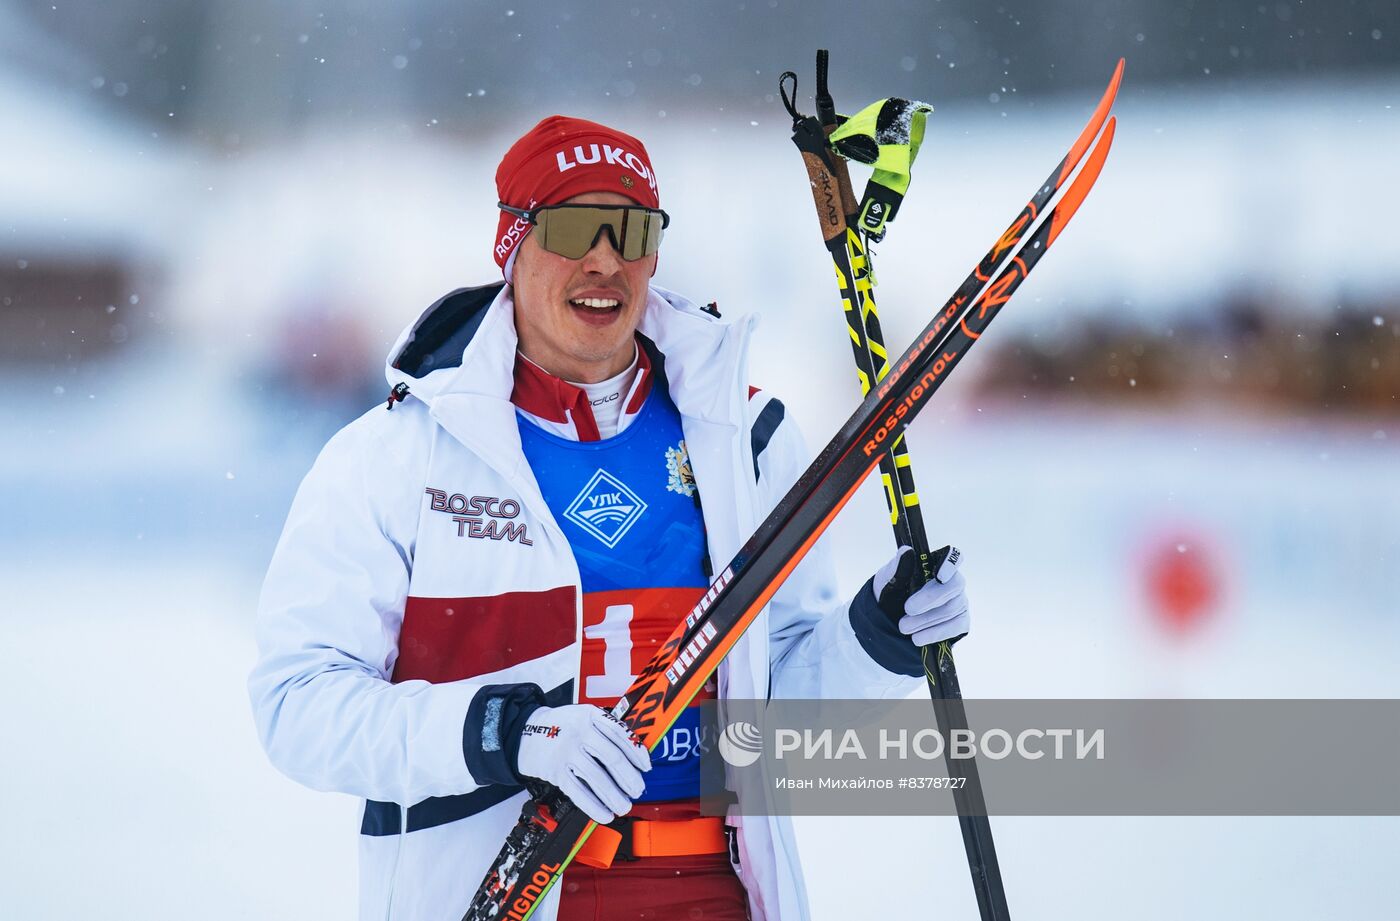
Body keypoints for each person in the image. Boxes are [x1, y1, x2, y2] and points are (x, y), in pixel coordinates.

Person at [249, 115, 972, 921]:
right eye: (569, 226)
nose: (604, 258)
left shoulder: (746, 437)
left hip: (713, 892)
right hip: (507, 886)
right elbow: (299, 705)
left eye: (631, 230)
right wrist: (506, 733)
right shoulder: (392, 454)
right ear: (511, 244)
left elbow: (772, 715)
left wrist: (879, 636)